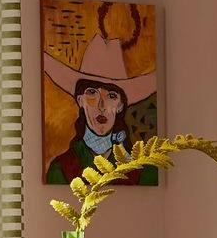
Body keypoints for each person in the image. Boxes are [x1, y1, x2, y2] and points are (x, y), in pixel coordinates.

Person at [42, 32, 155, 184]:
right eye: (92, 93)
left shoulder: (143, 171)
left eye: (111, 96)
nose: (102, 106)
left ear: (120, 105)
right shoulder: (61, 168)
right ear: (80, 100)